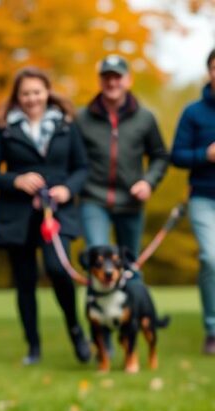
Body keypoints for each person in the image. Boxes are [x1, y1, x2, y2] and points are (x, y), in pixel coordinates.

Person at [0, 67, 92, 366]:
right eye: (25, 93)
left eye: (37, 92)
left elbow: (82, 167)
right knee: (25, 281)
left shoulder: (67, 126)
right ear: (18, 97)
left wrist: (67, 190)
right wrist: (15, 180)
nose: (32, 98)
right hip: (17, 217)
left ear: (47, 92)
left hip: (58, 214)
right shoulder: (5, 129)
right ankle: (33, 347)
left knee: (58, 269)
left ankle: (76, 329)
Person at [76, 54, 169, 258]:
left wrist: (148, 183)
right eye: (106, 77)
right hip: (93, 199)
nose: (112, 82)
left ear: (128, 80)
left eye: (117, 77)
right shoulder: (81, 118)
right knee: (97, 257)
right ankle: (97, 290)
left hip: (130, 201)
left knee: (129, 264)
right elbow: (71, 158)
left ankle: (131, 290)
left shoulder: (145, 117)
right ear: (100, 80)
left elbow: (160, 156)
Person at [170, 49, 215, 355]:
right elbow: (176, 155)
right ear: (209, 72)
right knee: (210, 259)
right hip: (203, 197)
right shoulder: (193, 112)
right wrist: (205, 155)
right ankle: (213, 329)